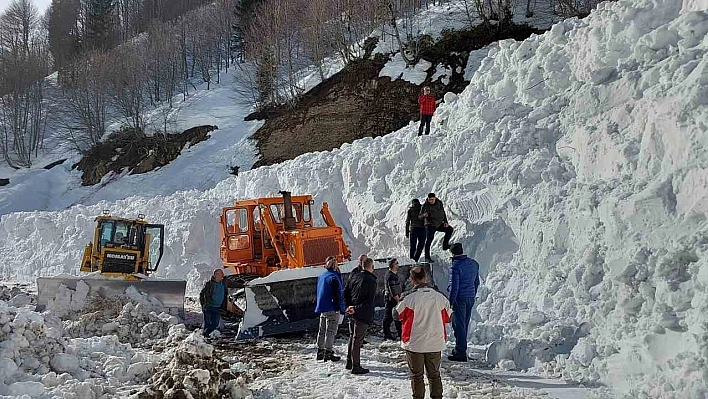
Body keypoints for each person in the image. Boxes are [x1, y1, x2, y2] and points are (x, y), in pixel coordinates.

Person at [396, 266, 451, 399]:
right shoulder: (440, 298)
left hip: (414, 343)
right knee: (434, 374)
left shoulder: (409, 299)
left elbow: (397, 315)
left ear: (412, 280)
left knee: (416, 376)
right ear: (426, 278)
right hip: (435, 342)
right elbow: (448, 317)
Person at [447, 243, 480, 362]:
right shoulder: (474, 263)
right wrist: (472, 294)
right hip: (470, 297)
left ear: (453, 253)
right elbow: (476, 282)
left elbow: (454, 286)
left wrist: (450, 302)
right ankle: (460, 348)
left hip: (459, 298)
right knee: (464, 324)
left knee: (458, 325)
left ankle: (460, 353)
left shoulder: (455, 266)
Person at [343, 257, 377, 374]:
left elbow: (346, 291)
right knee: (357, 340)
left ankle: (349, 361)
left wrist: (349, 306)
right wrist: (355, 309)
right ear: (371, 267)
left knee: (352, 337)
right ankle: (356, 366)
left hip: (352, 311)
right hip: (361, 314)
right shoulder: (371, 280)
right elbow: (369, 302)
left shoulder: (355, 276)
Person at [315, 256, 346, 362]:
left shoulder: (322, 276)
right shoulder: (333, 278)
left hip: (322, 307)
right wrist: (339, 308)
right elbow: (337, 294)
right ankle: (328, 352)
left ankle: (320, 351)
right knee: (331, 331)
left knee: (322, 330)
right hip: (332, 308)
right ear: (334, 266)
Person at [420, 193, 454, 263]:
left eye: (432, 199)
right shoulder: (425, 205)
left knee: (449, 229)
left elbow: (443, 212)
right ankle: (427, 257)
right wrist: (424, 215)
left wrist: (445, 221)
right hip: (430, 224)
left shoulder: (439, 203)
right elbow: (419, 216)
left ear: (435, 198)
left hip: (438, 223)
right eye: (429, 200)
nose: (431, 201)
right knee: (429, 239)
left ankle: (445, 245)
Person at [199, 269, 229, 337]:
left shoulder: (224, 282)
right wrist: (203, 304)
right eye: (219, 274)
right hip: (208, 307)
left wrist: (244, 285)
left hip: (217, 307)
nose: (221, 275)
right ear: (215, 275)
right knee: (207, 323)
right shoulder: (209, 284)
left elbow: (233, 284)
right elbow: (201, 294)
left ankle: (205, 335)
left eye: (221, 274)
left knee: (215, 324)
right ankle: (205, 337)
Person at [382, 258, 402, 340]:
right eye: (396, 263)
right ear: (392, 266)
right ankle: (387, 334)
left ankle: (399, 333)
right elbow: (392, 290)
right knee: (388, 317)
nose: (398, 264)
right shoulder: (390, 276)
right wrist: (399, 300)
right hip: (391, 299)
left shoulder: (393, 274)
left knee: (395, 316)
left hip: (394, 298)